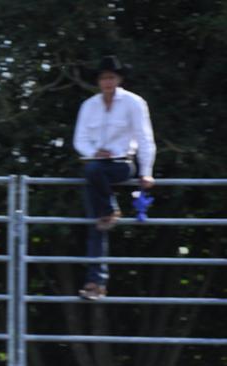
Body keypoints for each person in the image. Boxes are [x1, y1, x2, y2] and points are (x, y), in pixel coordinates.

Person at [73, 55, 156, 300]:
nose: (107, 81)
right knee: (96, 226)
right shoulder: (89, 105)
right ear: (99, 81)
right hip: (96, 166)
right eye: (103, 77)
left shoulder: (134, 103)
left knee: (93, 173)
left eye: (111, 77)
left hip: (121, 164)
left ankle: (110, 208)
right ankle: (95, 283)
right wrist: (93, 152)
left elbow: (144, 138)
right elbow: (79, 140)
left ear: (118, 79)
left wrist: (145, 171)